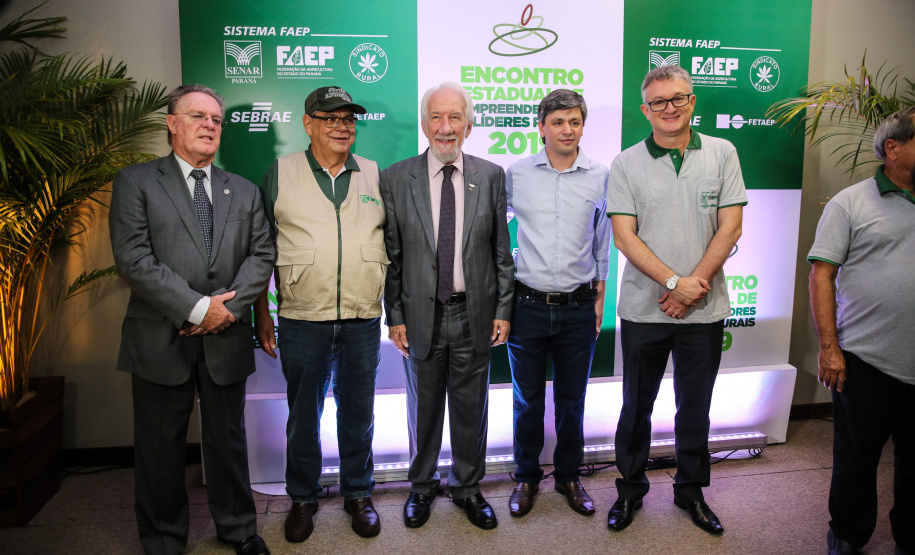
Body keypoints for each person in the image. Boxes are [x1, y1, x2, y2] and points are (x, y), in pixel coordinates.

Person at [109, 84, 274, 555]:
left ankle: (240, 529)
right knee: (160, 449)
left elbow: (262, 255)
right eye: (198, 116)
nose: (209, 126)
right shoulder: (136, 182)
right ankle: (163, 540)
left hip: (227, 336)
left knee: (228, 442)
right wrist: (199, 308)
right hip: (160, 336)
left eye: (216, 120)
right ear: (172, 122)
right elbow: (133, 259)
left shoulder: (242, 189)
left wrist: (226, 311)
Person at [606, 65, 746, 534]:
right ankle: (630, 491)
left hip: (703, 308)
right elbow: (624, 236)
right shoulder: (626, 163)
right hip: (644, 309)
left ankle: (691, 492)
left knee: (695, 406)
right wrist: (672, 283)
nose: (670, 108)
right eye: (659, 102)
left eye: (678, 99)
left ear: (693, 101)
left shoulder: (723, 153)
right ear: (645, 110)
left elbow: (731, 227)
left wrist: (692, 285)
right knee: (636, 405)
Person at [252, 86, 385, 542]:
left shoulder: (372, 173)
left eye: (348, 119)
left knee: (358, 412)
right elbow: (260, 249)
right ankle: (303, 499)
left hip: (362, 317)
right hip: (301, 317)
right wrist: (261, 315)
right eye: (330, 118)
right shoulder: (281, 172)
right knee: (303, 415)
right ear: (308, 124)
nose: (342, 126)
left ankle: (357, 493)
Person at [380, 82, 514, 530]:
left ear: (469, 125)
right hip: (420, 314)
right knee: (423, 408)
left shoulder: (491, 175)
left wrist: (503, 309)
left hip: (474, 312)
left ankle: (468, 488)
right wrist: (394, 316)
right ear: (424, 124)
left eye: (455, 117)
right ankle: (421, 487)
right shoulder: (397, 177)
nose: (445, 127)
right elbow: (392, 257)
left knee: (471, 408)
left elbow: (501, 254)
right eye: (437, 117)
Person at [808, 106, 915, 555]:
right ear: (893, 148)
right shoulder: (849, 203)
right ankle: (849, 535)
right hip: (867, 359)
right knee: (856, 460)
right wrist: (830, 348)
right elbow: (821, 276)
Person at [504, 89, 610, 518]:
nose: (567, 130)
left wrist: (601, 293)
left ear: (582, 126)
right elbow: (492, 232)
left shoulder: (601, 175)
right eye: (558, 122)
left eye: (574, 122)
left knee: (572, 398)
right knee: (527, 400)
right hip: (526, 305)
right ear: (541, 126)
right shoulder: (517, 174)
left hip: (578, 306)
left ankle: (569, 475)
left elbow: (603, 237)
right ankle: (526, 477)